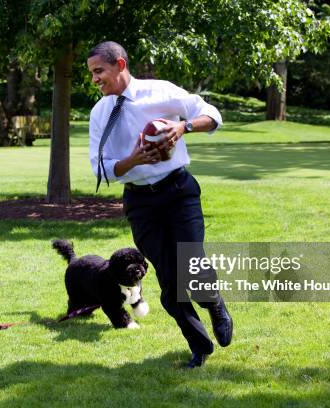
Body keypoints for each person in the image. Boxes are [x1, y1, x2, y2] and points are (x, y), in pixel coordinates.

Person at [87, 41, 232, 368]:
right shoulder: (99, 113)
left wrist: (183, 126)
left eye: (100, 71)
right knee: (169, 282)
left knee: (191, 265)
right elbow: (100, 167)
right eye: (92, 73)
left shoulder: (160, 92)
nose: (95, 79)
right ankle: (200, 346)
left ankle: (215, 304)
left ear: (120, 65)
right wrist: (132, 160)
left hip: (178, 192)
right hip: (140, 204)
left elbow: (212, 115)